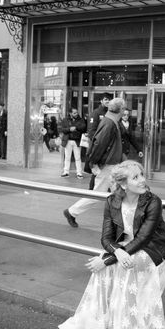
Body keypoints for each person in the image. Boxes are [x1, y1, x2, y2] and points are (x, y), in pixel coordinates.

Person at [58, 160, 165, 329]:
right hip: (127, 245)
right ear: (123, 184)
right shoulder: (112, 201)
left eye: (141, 175)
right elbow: (106, 237)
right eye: (136, 177)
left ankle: (125, 326)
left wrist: (107, 259)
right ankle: (100, 320)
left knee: (123, 265)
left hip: (156, 247)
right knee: (105, 260)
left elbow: (143, 238)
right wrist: (115, 254)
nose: (142, 180)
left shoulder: (152, 201)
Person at [63, 98, 125, 228]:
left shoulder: (110, 121)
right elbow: (99, 144)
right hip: (108, 166)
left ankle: (121, 222)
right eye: (124, 109)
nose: (124, 111)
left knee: (118, 193)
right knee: (98, 194)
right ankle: (72, 212)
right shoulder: (109, 123)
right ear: (120, 110)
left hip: (111, 165)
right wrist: (94, 162)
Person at [85, 93, 112, 190]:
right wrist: (100, 144)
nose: (107, 101)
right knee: (96, 172)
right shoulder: (96, 113)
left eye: (109, 100)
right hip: (99, 148)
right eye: (106, 99)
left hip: (109, 149)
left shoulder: (110, 113)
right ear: (101, 101)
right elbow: (91, 132)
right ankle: (91, 192)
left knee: (106, 172)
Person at [60, 107, 87, 178]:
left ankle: (79, 172)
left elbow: (83, 127)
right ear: (70, 113)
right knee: (67, 157)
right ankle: (66, 172)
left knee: (78, 157)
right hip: (68, 140)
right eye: (74, 113)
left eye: (77, 112)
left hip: (77, 140)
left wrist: (76, 128)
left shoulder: (81, 120)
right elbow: (62, 129)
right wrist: (69, 129)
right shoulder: (65, 120)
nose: (76, 114)